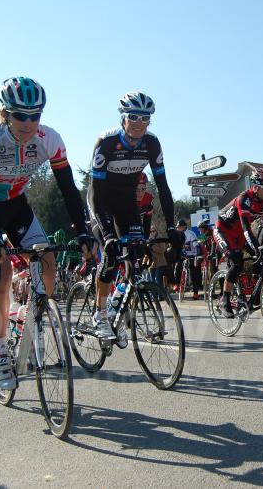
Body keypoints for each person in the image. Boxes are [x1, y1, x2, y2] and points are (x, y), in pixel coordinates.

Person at [0, 77, 90, 390]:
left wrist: (84, 232)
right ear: (6, 114)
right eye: (21, 115)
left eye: (36, 115)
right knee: (1, 271)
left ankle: (28, 319)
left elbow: (69, 191)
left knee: (47, 261)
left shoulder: (50, 139)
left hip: (16, 207)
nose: (29, 122)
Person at [87, 91, 179, 343]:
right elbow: (95, 191)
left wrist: (171, 227)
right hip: (101, 201)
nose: (139, 123)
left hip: (127, 202)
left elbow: (163, 187)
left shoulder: (152, 143)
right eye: (134, 117)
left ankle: (121, 307)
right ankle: (100, 314)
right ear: (123, 118)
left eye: (145, 118)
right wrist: (106, 234)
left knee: (136, 256)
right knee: (111, 256)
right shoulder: (106, 143)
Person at [213, 168, 263, 318]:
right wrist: (257, 249)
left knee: (262, 261)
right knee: (237, 261)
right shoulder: (244, 199)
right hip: (223, 231)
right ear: (256, 187)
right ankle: (224, 298)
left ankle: (255, 295)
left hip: (240, 234)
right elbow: (246, 228)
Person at [175, 219, 202, 300]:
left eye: (179, 227)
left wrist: (196, 256)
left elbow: (196, 245)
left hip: (192, 255)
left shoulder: (190, 234)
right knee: (177, 266)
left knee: (194, 273)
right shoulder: (177, 234)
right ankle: (177, 284)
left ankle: (196, 292)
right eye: (177, 227)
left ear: (184, 226)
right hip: (183, 255)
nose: (178, 228)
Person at [136, 172, 154, 238]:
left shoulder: (148, 197)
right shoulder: (127, 196)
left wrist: (146, 238)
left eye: (143, 189)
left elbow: (147, 222)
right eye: (137, 189)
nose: (140, 193)